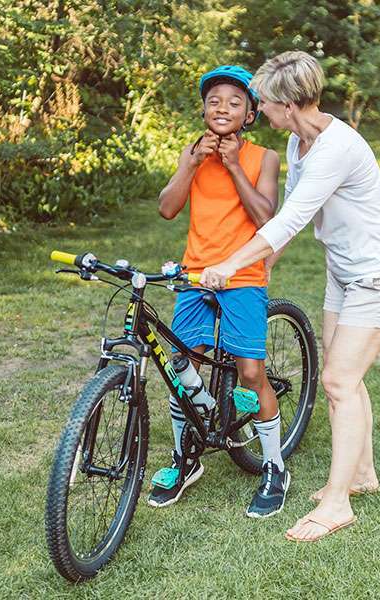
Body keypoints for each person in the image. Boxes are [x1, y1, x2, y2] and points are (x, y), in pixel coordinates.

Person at [199, 51, 380, 541]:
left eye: (267, 103)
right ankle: (361, 475)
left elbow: (288, 220)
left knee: (339, 381)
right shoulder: (300, 143)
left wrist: (233, 263)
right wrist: (262, 267)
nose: (262, 110)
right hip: (343, 271)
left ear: (291, 104)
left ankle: (338, 504)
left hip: (378, 273)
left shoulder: (336, 148)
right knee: (347, 381)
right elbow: (293, 216)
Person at [147, 65, 289, 518]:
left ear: (250, 113)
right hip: (195, 273)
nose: (222, 107)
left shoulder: (263, 156)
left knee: (250, 373)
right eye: (214, 101)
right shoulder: (192, 152)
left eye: (234, 101)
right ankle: (185, 457)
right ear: (204, 110)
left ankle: (274, 465)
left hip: (242, 274)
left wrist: (231, 166)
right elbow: (168, 208)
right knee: (178, 365)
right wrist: (191, 163)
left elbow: (267, 216)